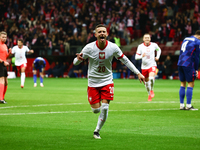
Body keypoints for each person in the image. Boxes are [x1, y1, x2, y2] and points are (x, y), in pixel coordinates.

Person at [73, 24, 145, 139]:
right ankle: (97, 104)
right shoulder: (89, 47)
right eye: (99, 32)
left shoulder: (113, 47)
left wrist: (138, 73)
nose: (102, 33)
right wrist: (78, 59)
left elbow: (125, 60)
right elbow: (75, 62)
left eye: (104, 31)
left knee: (105, 108)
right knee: (96, 110)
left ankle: (97, 131)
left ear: (107, 34)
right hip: (93, 82)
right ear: (95, 35)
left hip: (107, 81)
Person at [177, 30, 200, 110]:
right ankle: (189, 105)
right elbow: (197, 57)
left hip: (180, 62)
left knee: (182, 83)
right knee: (191, 83)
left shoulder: (186, 39)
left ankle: (181, 105)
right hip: (188, 64)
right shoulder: (197, 41)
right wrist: (196, 69)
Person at [135, 33, 161, 101]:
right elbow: (136, 57)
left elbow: (159, 50)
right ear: (143, 39)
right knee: (146, 83)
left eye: (148, 38)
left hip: (152, 64)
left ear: (150, 39)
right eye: (145, 38)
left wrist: (157, 57)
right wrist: (141, 56)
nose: (147, 39)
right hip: (144, 67)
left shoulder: (154, 45)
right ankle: (149, 94)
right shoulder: (140, 46)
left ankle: (152, 90)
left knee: (151, 78)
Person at [0, 31, 11, 104]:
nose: (4, 38)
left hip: (3, 64)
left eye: (5, 37)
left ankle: (2, 97)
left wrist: (9, 53)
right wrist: (2, 62)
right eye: (2, 37)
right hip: (0, 63)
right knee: (2, 80)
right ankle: (1, 99)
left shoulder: (5, 45)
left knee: (6, 82)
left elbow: (6, 56)